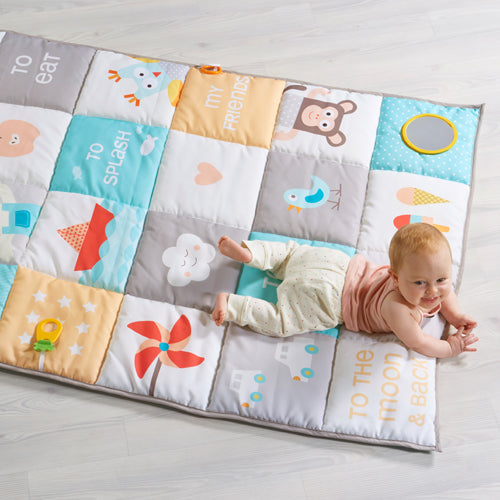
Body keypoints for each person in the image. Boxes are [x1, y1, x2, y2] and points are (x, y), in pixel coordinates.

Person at [211, 223, 478, 358]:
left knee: (292, 254)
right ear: (395, 279)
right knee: (282, 320)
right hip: (328, 298)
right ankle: (232, 305)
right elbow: (418, 341)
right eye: (420, 283)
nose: (433, 291)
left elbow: (446, 295)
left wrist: (455, 316)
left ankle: (253, 254)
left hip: (336, 263)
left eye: (441, 279)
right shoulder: (398, 309)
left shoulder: (422, 283)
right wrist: (450, 348)